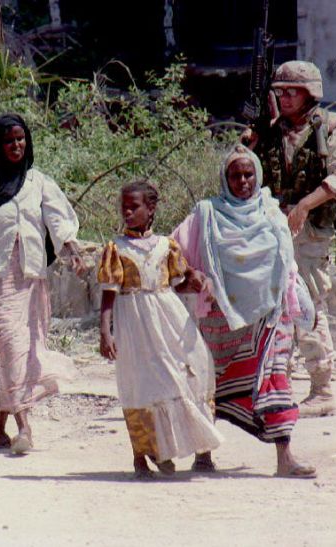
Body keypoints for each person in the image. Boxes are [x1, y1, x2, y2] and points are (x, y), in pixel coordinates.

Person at [172, 145, 316, 478]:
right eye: (235, 175)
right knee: (209, 384)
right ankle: (203, 455)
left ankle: (285, 458)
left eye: (248, 174)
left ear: (258, 175)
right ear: (225, 178)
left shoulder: (272, 213)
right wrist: (191, 277)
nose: (242, 181)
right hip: (221, 319)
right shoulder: (206, 214)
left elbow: (287, 266)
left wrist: (298, 303)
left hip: (268, 317)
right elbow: (172, 253)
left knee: (275, 380)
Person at [244, 61, 336, 418]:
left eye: (291, 90)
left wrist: (305, 205)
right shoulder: (271, 130)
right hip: (270, 229)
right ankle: (274, 382)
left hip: (310, 232)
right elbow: (242, 170)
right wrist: (249, 139)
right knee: (268, 306)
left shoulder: (330, 128)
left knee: (307, 304)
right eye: (279, 91)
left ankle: (322, 389)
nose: (285, 96)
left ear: (310, 93)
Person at [98, 180, 223, 479]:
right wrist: (106, 331)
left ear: (151, 208)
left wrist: (195, 280)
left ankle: (199, 449)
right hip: (135, 323)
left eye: (134, 206)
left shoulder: (167, 246)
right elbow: (108, 294)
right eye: (124, 207)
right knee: (140, 383)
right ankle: (143, 456)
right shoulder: (116, 248)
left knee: (193, 371)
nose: (127, 212)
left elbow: (177, 281)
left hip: (169, 318)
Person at [0, 113, 83, 454]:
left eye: (21, 139)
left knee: (17, 352)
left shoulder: (37, 181)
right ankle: (25, 426)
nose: (16, 145)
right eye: (9, 141)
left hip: (31, 280)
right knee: (12, 347)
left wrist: (71, 246)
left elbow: (58, 219)